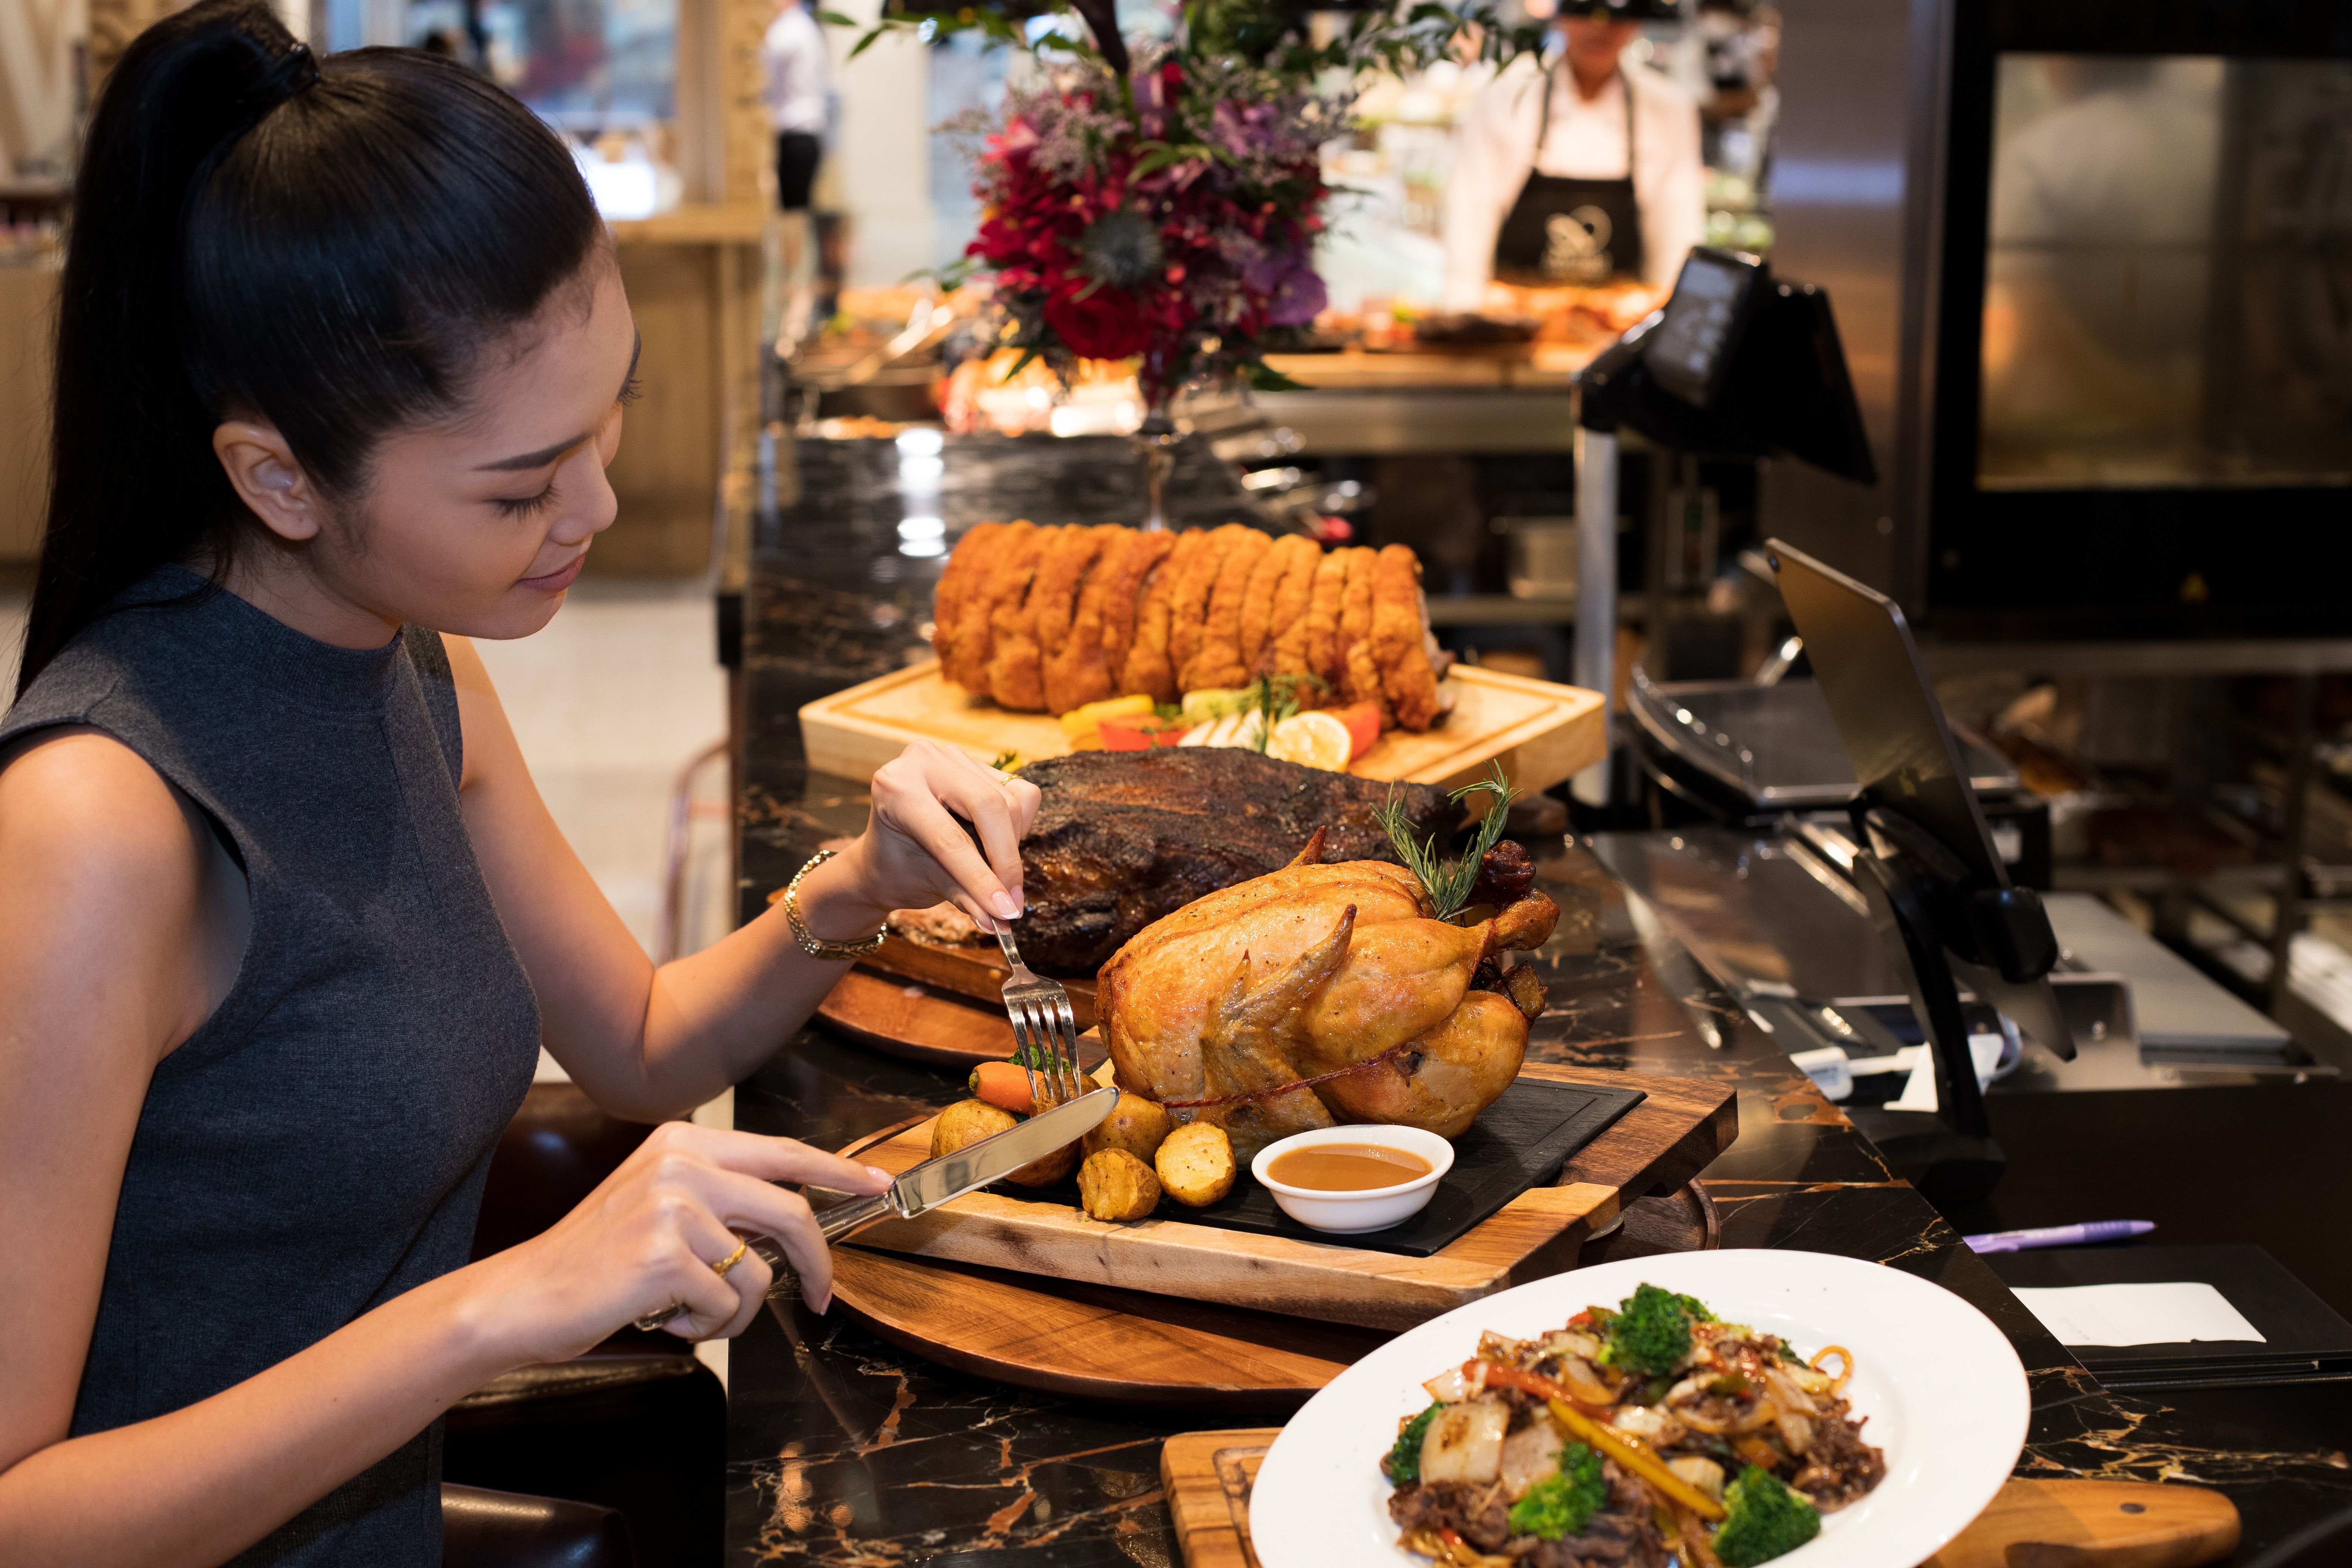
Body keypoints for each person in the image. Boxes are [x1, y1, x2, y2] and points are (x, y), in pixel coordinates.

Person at [0, 5, 1038, 1564]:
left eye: (610, 419)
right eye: (521, 487)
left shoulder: (410, 660)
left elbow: (639, 1043)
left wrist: (859, 885)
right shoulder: (103, 820)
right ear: (276, 476)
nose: (597, 504)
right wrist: (494, 1306)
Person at [1441, 0, 1705, 309]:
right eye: (1585, 13)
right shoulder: (1506, 94)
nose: (1599, 27)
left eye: (1616, 18)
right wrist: (1465, 314)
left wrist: (1671, 321)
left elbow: (1677, 232)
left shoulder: (1669, 108)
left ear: (1638, 22)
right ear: (1560, 16)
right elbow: (1470, 214)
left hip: (1618, 318)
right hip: (1513, 314)